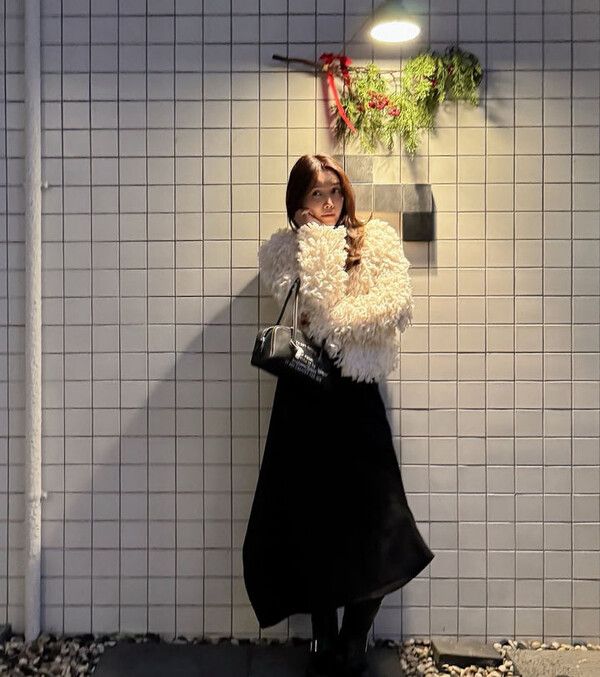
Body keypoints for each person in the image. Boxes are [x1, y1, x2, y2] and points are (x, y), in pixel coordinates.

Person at [242, 154, 434, 677]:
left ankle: (353, 638)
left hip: (355, 396)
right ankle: (324, 638)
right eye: (316, 194)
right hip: (304, 398)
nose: (328, 203)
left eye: (334, 191)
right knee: (311, 520)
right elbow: (312, 310)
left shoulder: (377, 241)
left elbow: (390, 308)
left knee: (377, 518)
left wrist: (338, 319)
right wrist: (317, 243)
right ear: (298, 204)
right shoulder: (285, 252)